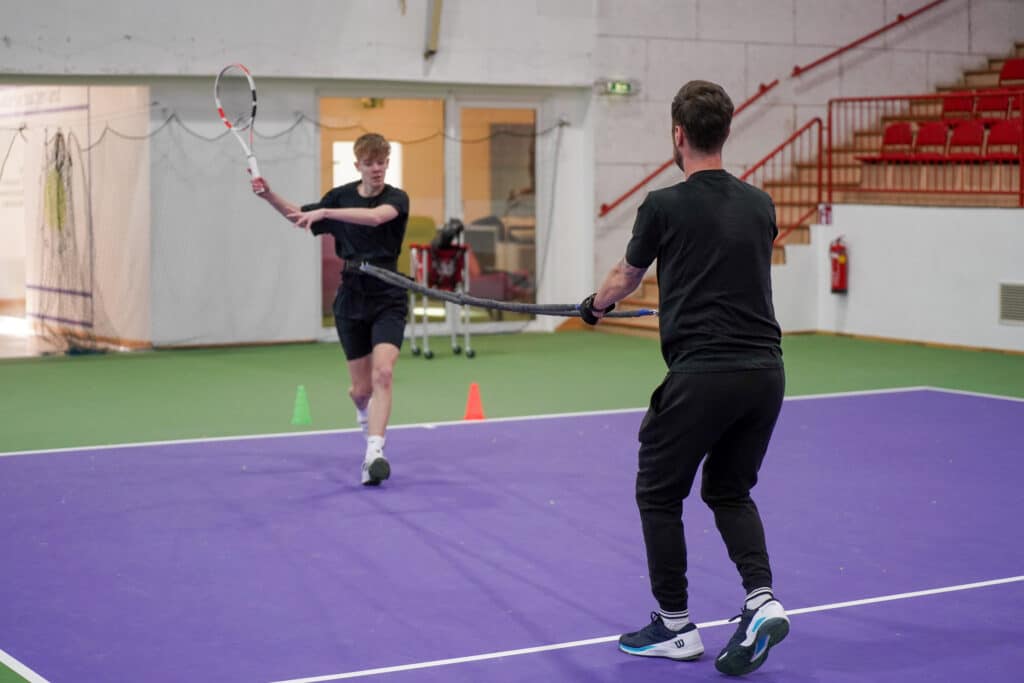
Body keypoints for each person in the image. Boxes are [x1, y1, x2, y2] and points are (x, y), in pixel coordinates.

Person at [579, 80, 789, 676]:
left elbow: (625, 276)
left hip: (704, 373)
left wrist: (594, 304)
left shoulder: (662, 205)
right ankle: (761, 600)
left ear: (678, 135)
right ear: (726, 131)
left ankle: (674, 626)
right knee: (728, 489)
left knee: (657, 492)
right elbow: (728, 264)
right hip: (765, 374)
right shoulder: (760, 203)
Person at [252, 132, 409, 487]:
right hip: (351, 300)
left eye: (381, 162)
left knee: (384, 373)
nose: (376, 169)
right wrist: (268, 196)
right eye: (369, 163)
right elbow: (298, 216)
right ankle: (361, 410)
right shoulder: (340, 197)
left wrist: (326, 211)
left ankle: (375, 453)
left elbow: (376, 219)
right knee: (361, 390)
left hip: (388, 296)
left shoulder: (397, 198)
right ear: (358, 165)